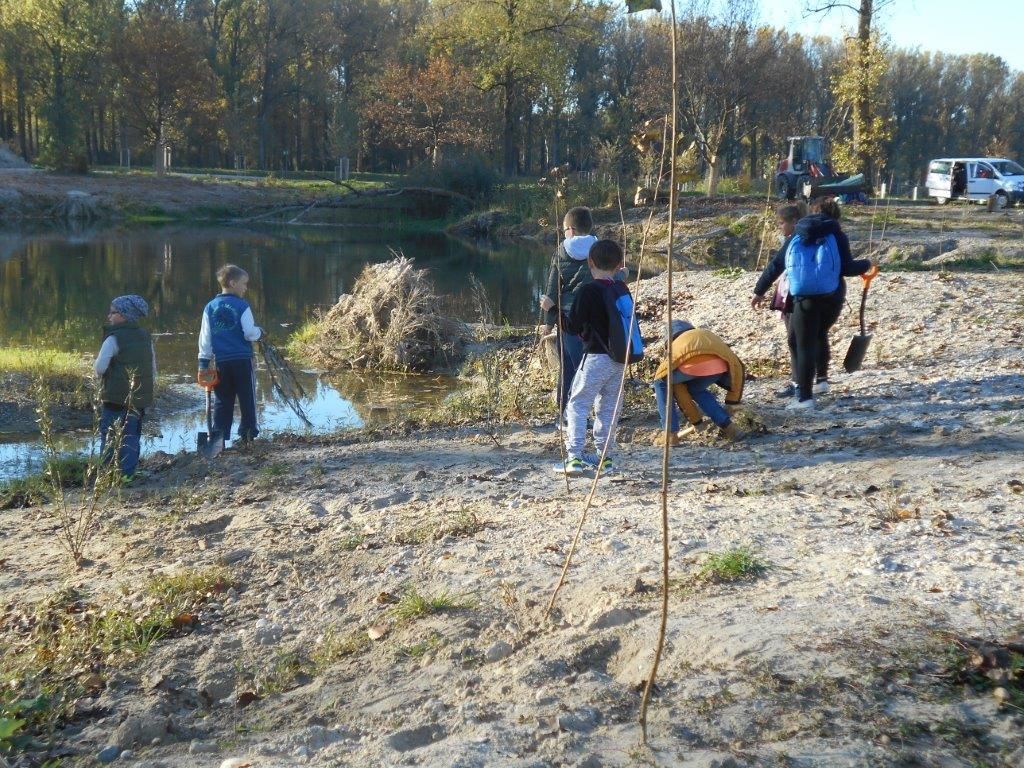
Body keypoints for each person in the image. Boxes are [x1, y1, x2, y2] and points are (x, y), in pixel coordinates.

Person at [784, 198, 872, 409]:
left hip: (804, 298)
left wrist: (759, 291)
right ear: (836, 216)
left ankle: (804, 398)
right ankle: (821, 381)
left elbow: (778, 263)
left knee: (802, 343)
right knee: (819, 334)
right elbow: (847, 268)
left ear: (812, 212)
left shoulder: (799, 233)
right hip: (832, 297)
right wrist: (867, 263)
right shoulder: (837, 235)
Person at [554, 239, 631, 476]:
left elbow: (571, 326)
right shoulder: (621, 289)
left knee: (577, 404)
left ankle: (574, 457)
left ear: (590, 262)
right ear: (619, 265)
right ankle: (604, 458)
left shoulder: (588, 291)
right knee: (608, 408)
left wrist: (553, 310)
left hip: (596, 357)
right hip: (620, 359)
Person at [539, 206, 598, 425]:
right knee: (582, 367)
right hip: (592, 318)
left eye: (564, 230)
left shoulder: (561, 250)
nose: (564, 234)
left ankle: (566, 414)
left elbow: (552, 288)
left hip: (566, 317)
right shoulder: (599, 248)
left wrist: (548, 323)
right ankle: (576, 415)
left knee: (568, 368)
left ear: (571, 230)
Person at [651, 320, 746, 445]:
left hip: (689, 368)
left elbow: (679, 391)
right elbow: (738, 366)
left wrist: (696, 421)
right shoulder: (705, 334)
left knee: (660, 382)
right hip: (718, 369)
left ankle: (670, 435)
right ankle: (730, 428)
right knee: (696, 389)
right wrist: (732, 402)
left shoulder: (675, 347)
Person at [198, 264, 263, 443]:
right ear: (233, 283)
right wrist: (260, 333)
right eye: (244, 283)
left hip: (221, 362)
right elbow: (249, 333)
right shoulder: (242, 306)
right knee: (247, 397)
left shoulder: (210, 307)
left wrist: (203, 363)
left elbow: (206, 337)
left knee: (222, 399)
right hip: (242, 360)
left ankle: (219, 436)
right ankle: (248, 433)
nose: (246, 287)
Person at [94, 294, 155, 479]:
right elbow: (152, 366)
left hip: (115, 398)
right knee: (131, 437)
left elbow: (99, 367)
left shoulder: (113, 338)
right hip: (139, 398)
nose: (109, 316)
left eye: (113, 313)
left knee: (111, 436)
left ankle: (107, 475)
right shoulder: (145, 336)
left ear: (124, 315)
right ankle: (127, 475)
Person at [750, 202, 806, 398]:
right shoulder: (817, 236)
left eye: (782, 223)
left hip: (796, 294)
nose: (780, 227)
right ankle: (816, 381)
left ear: (794, 221)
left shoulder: (795, 239)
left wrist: (759, 291)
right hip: (819, 294)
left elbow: (776, 265)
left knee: (794, 340)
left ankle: (799, 385)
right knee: (808, 339)